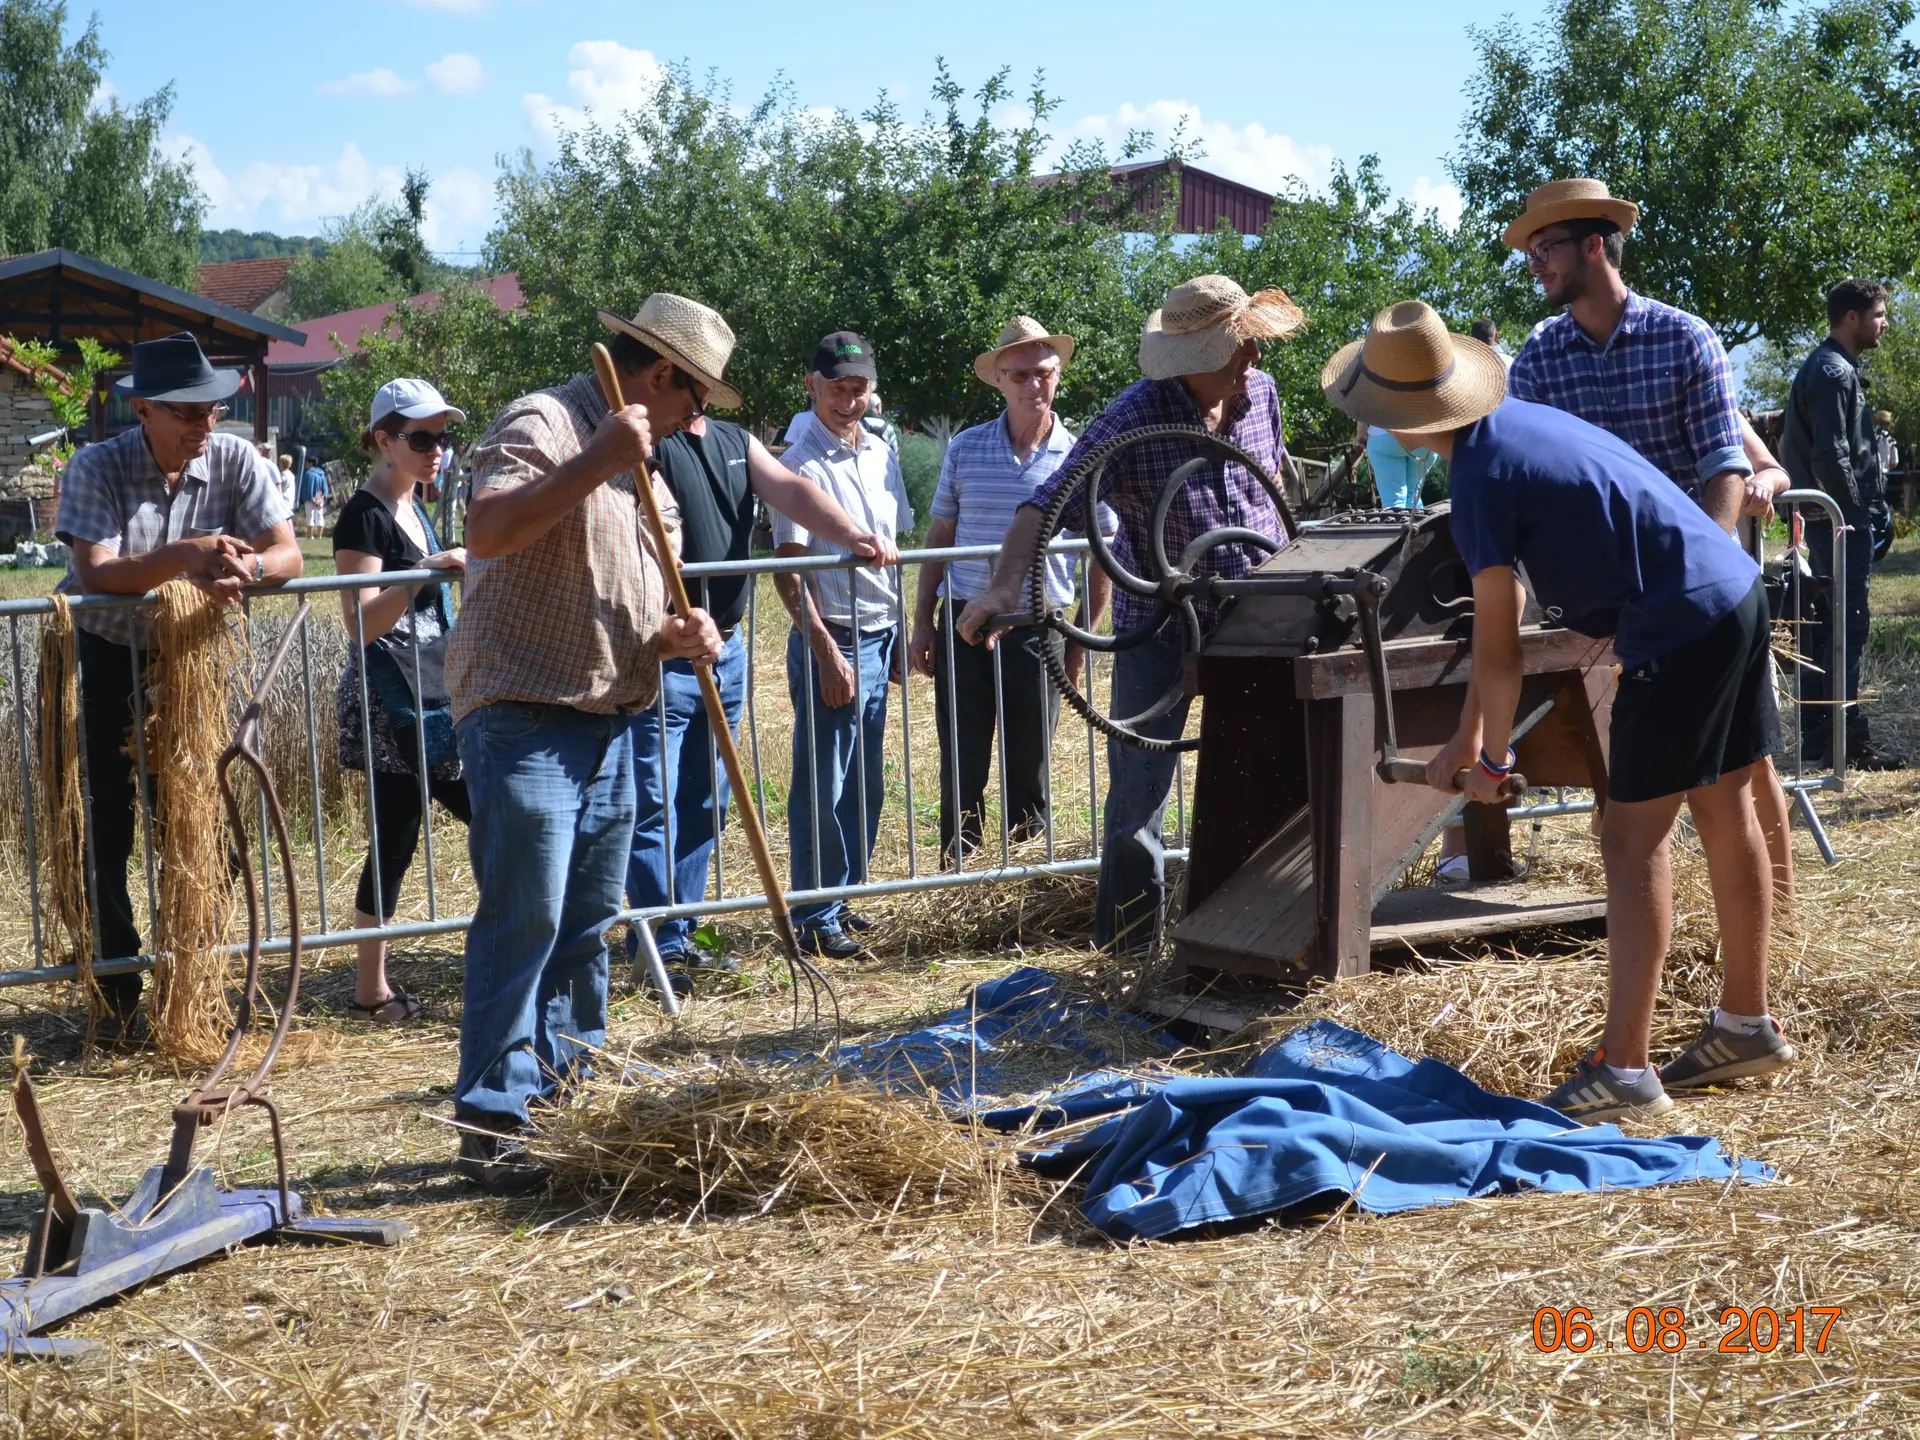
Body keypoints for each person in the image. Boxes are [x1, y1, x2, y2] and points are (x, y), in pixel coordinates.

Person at [1325, 300, 1791, 1122]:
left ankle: (1624, 1068)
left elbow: (1501, 652)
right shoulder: (1514, 426)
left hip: (1679, 623)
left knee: (1629, 836)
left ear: (1398, 422)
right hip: (1733, 594)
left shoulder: (1478, 479)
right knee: (1725, 807)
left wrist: (1493, 762)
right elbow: (1491, 650)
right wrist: (1471, 741)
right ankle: (1746, 1025)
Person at [444, 293, 726, 1193]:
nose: (700, 416)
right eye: (698, 396)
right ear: (661, 374)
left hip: (611, 717)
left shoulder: (654, 470)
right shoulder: (549, 421)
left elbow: (653, 592)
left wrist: (682, 635)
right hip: (523, 708)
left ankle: (571, 1104)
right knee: (524, 914)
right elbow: (487, 531)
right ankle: (497, 1115)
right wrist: (596, 458)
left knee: (586, 925)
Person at [959, 275, 1303, 956]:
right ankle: (1129, 953)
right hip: (1160, 630)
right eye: (1241, 350)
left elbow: (1275, 490)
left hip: (1258, 625)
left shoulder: (1259, 395)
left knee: (1263, 780)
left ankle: (1254, 937)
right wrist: (1002, 589)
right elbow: (1048, 506)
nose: (1253, 361)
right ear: (1200, 359)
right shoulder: (1134, 417)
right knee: (1138, 799)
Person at [1503, 177, 1798, 904]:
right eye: (1531, 250)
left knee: (1745, 772)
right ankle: (1638, 929)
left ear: (1595, 245)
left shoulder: (1684, 336)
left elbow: (1726, 469)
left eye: (1547, 248)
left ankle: (1786, 930)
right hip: (1611, 606)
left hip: (1704, 602)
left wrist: (1684, 581)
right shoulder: (1538, 357)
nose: (1534, 263)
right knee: (1621, 767)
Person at [53, 332, 302, 1039]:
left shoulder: (235, 460)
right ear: (145, 411)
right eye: (189, 413)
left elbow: (287, 553)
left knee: (204, 823)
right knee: (102, 827)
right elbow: (98, 573)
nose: (205, 424)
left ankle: (203, 985)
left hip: (191, 664)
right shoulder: (95, 468)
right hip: (104, 663)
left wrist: (244, 571)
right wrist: (186, 557)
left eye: (211, 410)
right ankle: (117, 996)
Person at [626, 348, 896, 990]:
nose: (700, 401)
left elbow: (791, 492)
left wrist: (852, 534)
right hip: (663, 647)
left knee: (708, 796)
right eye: (696, 385)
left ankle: (682, 931)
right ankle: (654, 939)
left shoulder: (732, 440)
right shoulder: (645, 442)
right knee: (653, 798)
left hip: (727, 646)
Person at [908, 317, 1111, 864]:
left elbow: (1101, 555)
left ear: (1058, 376)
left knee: (1031, 761)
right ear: (998, 379)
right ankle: (957, 872)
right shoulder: (966, 449)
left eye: (1044, 372)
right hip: (963, 621)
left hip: (1039, 625)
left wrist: (1080, 642)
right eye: (1019, 374)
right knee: (962, 755)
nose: (1033, 385)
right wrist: (922, 621)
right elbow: (940, 536)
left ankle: (1025, 880)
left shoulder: (1082, 455)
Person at [334, 379, 473, 1024]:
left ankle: (373, 989)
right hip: (392, 699)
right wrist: (425, 575)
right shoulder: (362, 515)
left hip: (430, 687)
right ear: (384, 440)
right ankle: (369, 992)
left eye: (443, 438)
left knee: (414, 828)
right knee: (405, 832)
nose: (436, 449)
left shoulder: (417, 507)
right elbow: (359, 623)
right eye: (421, 438)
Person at [773, 331, 914, 959]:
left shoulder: (883, 456)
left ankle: (842, 898)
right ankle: (813, 912)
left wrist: (905, 631)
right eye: (837, 389)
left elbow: (896, 550)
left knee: (866, 783)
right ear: (812, 386)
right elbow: (786, 569)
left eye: (859, 390)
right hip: (833, 634)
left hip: (880, 635)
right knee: (822, 784)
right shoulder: (798, 463)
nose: (848, 402)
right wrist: (824, 648)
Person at [1780, 279, 1904, 770]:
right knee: (1845, 628)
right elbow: (1831, 458)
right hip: (1837, 524)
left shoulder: (1833, 368)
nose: (1885, 323)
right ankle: (1843, 742)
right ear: (1851, 318)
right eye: (1879, 314)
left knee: (1828, 627)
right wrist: (1857, 514)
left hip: (1833, 522)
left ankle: (1822, 739)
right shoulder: (1832, 372)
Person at [1361, 421, 1436, 509]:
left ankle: (1395, 518)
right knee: (1413, 493)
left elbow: (1361, 408)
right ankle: (1416, 519)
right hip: (1425, 435)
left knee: (1393, 500)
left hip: (1384, 436)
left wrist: (1360, 430)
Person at [299, 456, 330, 538]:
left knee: (310, 515)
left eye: (307, 462)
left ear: (310, 463)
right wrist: (322, 498)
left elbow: (307, 488)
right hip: (320, 498)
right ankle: (319, 536)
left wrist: (311, 498)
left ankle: (310, 535)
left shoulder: (308, 474)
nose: (306, 464)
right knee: (320, 515)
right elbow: (325, 488)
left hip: (310, 499)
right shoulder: (321, 474)